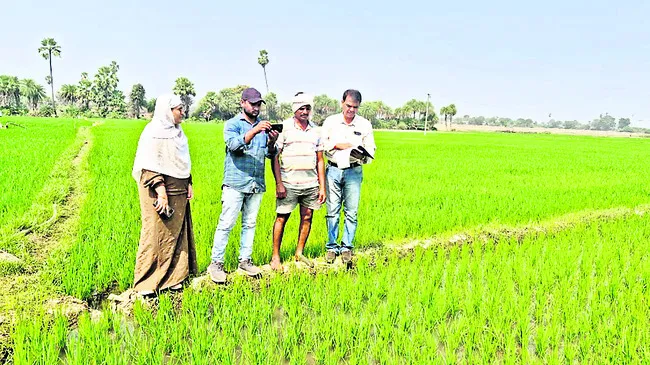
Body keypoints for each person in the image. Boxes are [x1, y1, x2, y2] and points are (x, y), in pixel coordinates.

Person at [208, 88, 279, 283]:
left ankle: (245, 260)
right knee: (226, 223)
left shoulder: (264, 128)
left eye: (258, 105)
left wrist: (272, 142)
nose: (256, 108)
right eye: (253, 104)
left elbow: (270, 154)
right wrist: (255, 130)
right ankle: (216, 263)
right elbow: (233, 146)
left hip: (256, 183)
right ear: (243, 103)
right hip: (235, 183)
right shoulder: (232, 124)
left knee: (250, 224)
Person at [131, 94, 197, 296]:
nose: (182, 112)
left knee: (176, 235)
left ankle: (174, 278)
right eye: (179, 109)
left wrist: (189, 183)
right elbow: (149, 165)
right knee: (155, 234)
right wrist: (161, 192)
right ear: (167, 111)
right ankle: (147, 283)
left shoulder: (178, 133)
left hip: (178, 189)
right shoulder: (153, 133)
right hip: (157, 190)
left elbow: (181, 162)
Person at [269, 92, 326, 271]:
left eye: (308, 108)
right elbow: (274, 157)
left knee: (307, 217)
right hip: (289, 183)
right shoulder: (284, 128)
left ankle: (299, 252)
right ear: (294, 109)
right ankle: (275, 257)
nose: (305, 111)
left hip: (310, 184)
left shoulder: (316, 130)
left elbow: (320, 159)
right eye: (301, 108)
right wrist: (279, 183)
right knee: (282, 218)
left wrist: (322, 186)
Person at [321, 89, 376, 265]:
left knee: (351, 211)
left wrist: (364, 155)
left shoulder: (365, 124)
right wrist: (337, 144)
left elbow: (371, 148)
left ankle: (347, 247)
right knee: (332, 212)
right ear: (341, 103)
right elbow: (322, 144)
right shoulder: (331, 122)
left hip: (354, 170)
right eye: (348, 106)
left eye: (355, 107)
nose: (351, 110)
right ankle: (331, 247)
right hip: (334, 170)